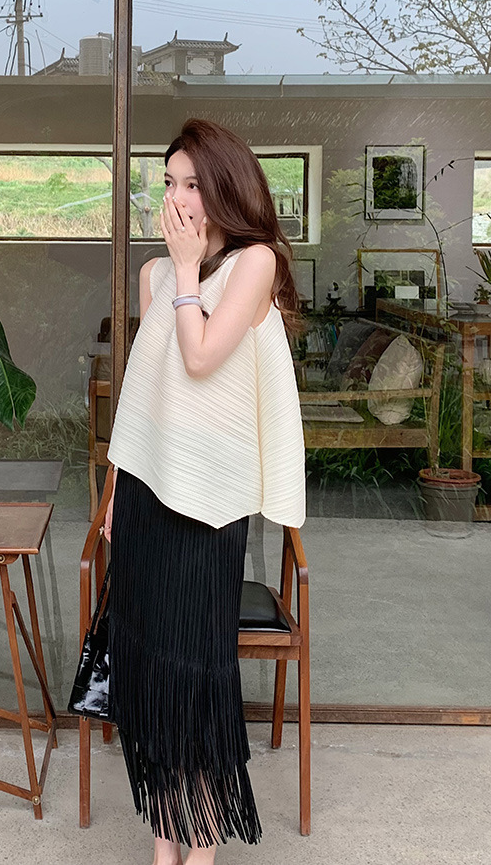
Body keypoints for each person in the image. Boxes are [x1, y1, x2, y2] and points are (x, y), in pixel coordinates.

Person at [103, 118, 306, 865]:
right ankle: (166, 839)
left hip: (208, 507)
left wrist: (188, 272)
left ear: (223, 187)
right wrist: (115, 494)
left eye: (192, 183)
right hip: (147, 495)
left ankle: (205, 843)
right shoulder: (155, 275)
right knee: (152, 672)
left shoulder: (254, 263)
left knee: (195, 675)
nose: (178, 198)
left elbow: (199, 359)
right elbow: (146, 395)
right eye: (168, 183)